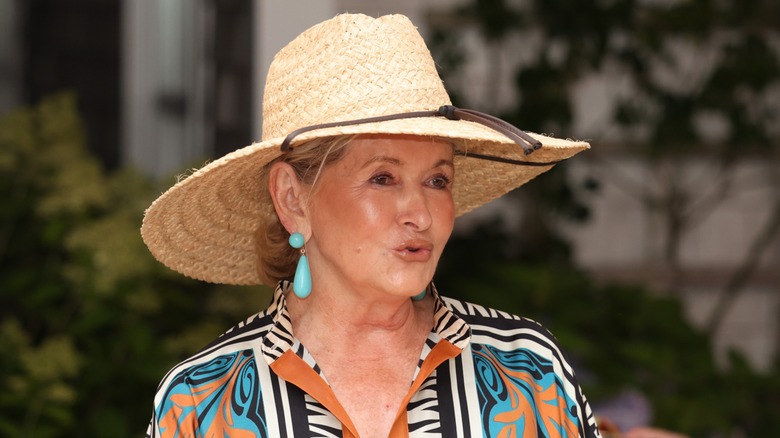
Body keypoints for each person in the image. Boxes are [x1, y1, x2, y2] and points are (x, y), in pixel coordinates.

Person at [142, 13, 597, 438]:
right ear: (292, 198)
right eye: (382, 178)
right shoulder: (202, 403)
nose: (420, 215)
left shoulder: (528, 371)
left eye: (438, 180)